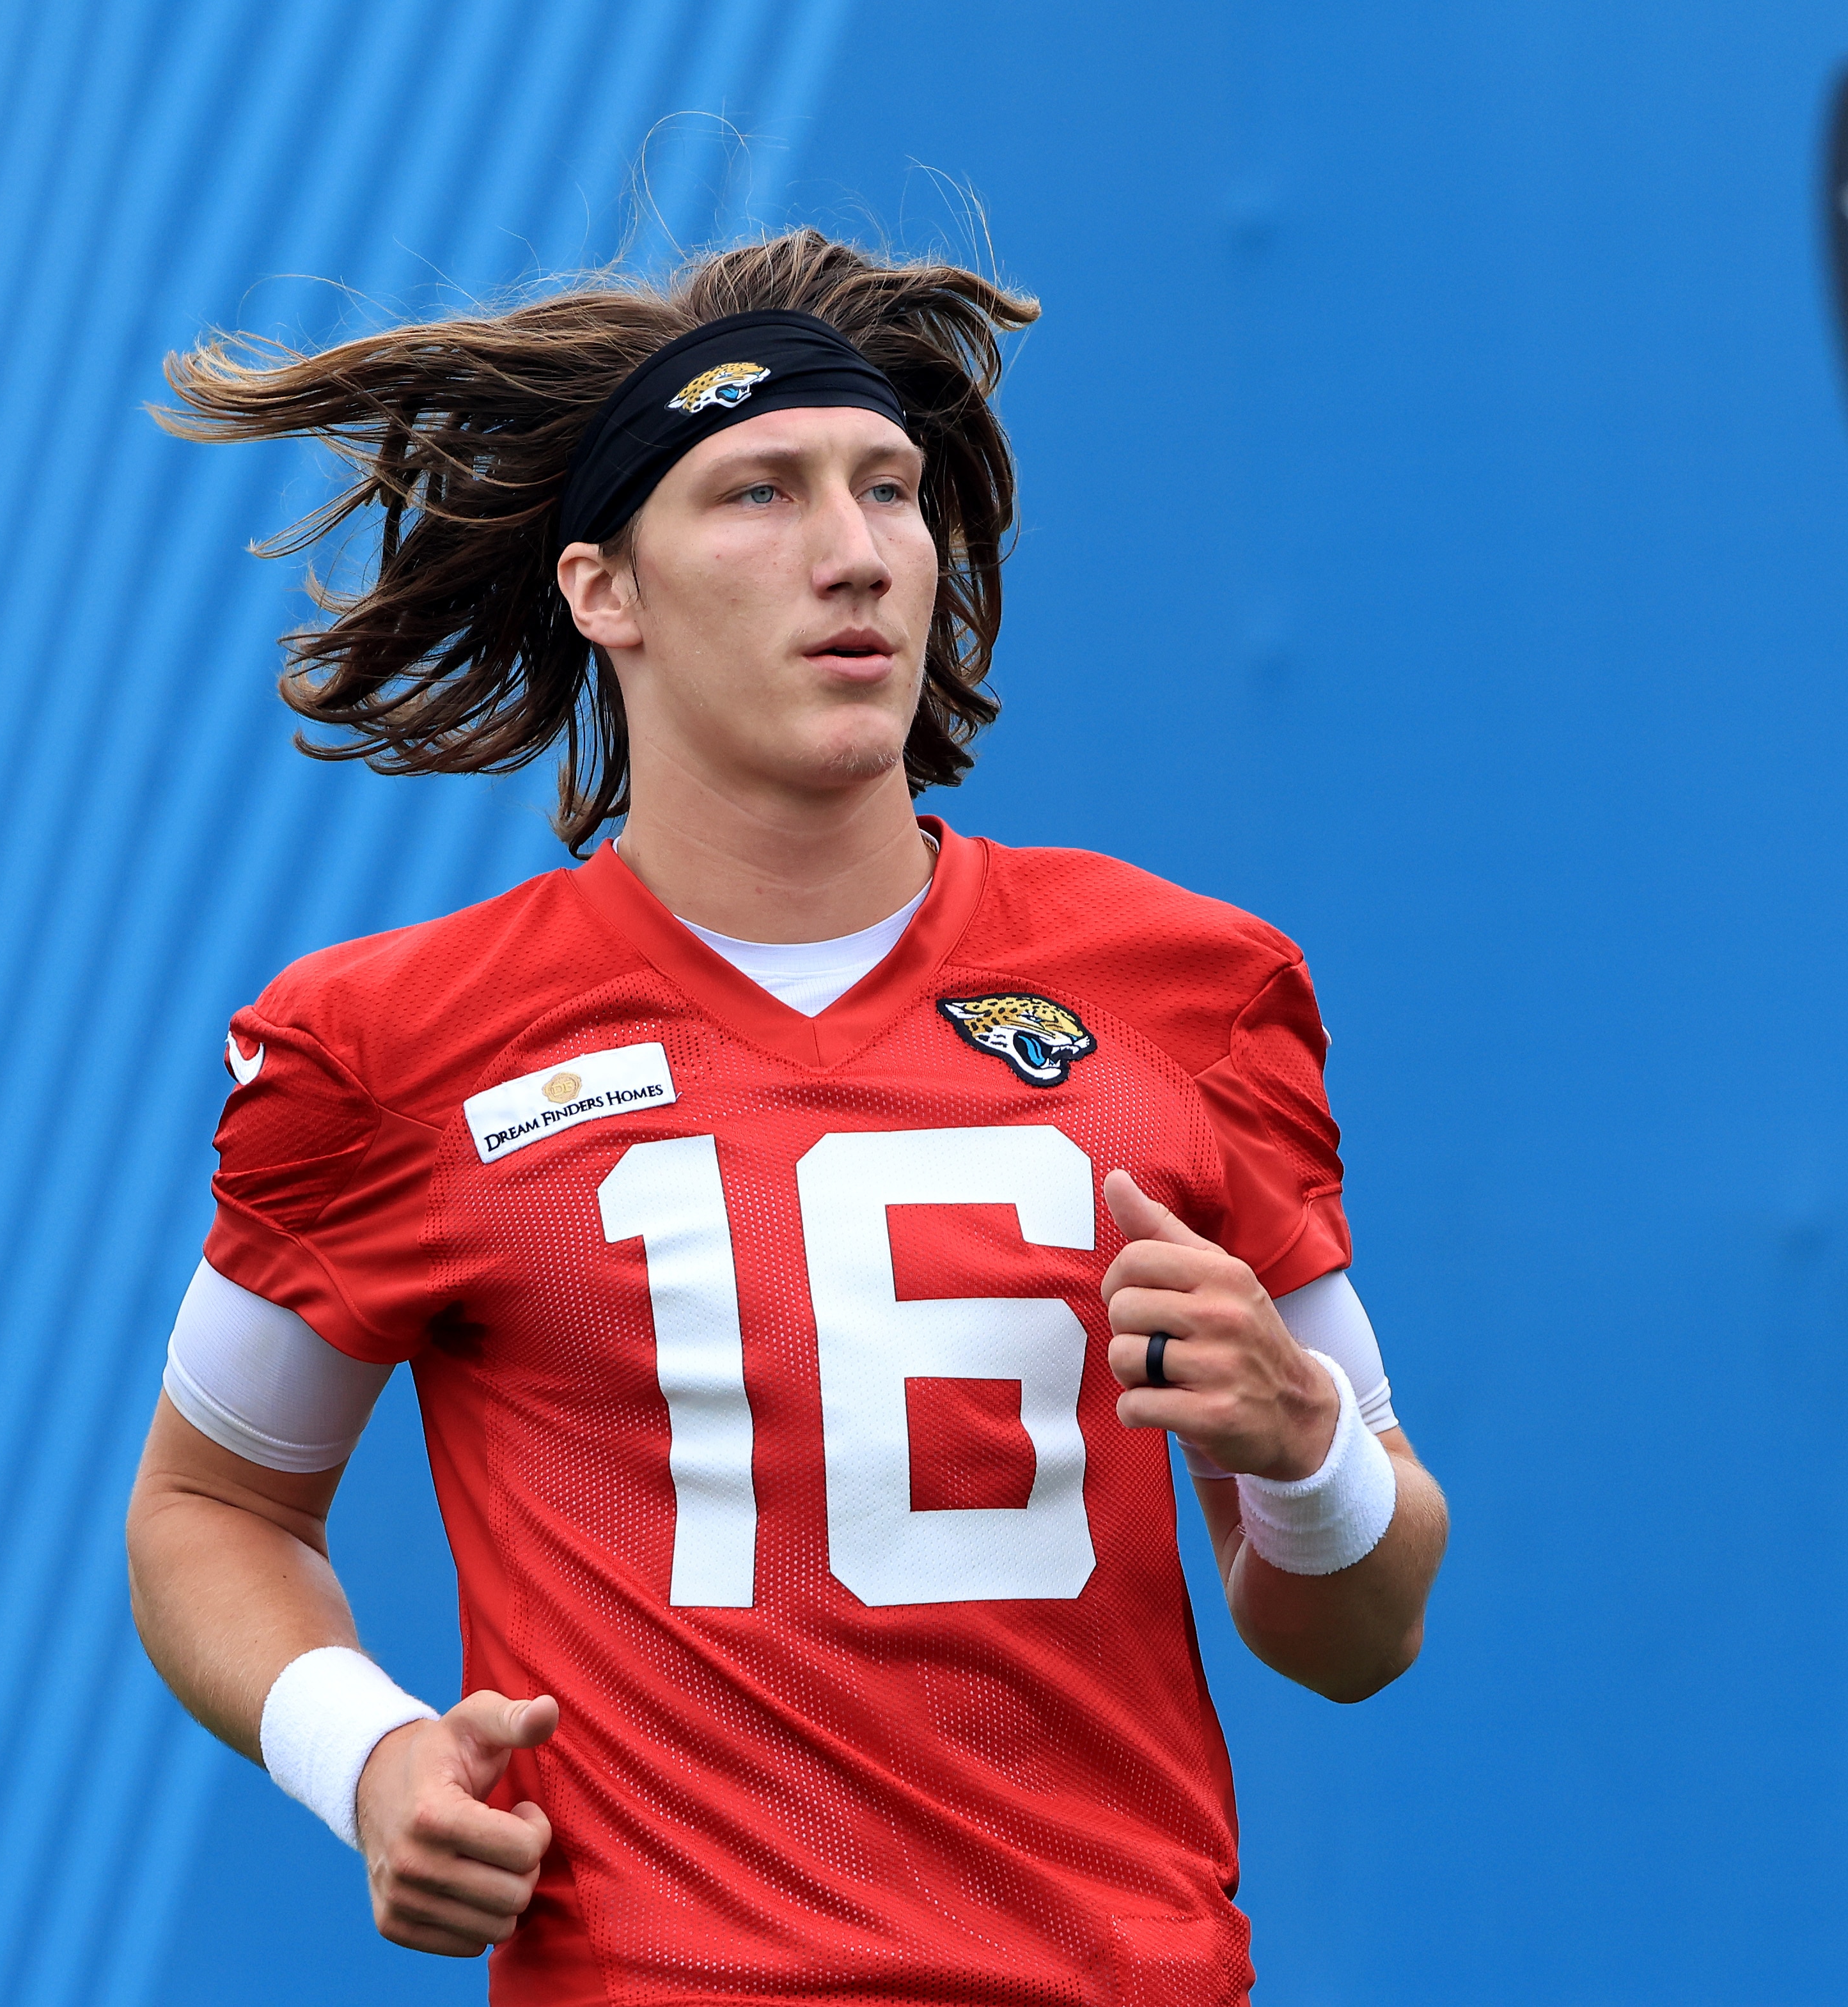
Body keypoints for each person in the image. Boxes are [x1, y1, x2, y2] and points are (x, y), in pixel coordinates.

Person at [123, 228, 1448, 2006]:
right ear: (607, 589)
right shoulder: (394, 1045)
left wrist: (1306, 1448)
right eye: (760, 492)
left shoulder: (1184, 989)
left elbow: (1362, 1632)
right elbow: (208, 1503)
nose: (856, 551)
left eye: (888, 488)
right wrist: (368, 1757)